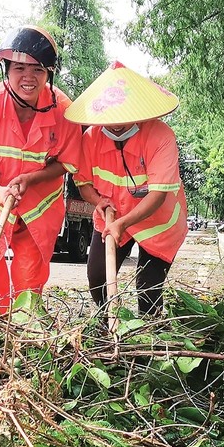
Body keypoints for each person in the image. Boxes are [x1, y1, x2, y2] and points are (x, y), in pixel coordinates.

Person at [0, 25, 81, 312]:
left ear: (49, 73)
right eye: (19, 68)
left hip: (38, 206)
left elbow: (67, 162)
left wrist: (31, 178)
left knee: (30, 281)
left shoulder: (64, 110)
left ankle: (26, 326)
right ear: (7, 70)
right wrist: (0, 190)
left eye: (37, 69)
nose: (28, 77)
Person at [65, 61, 188, 316]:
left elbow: (157, 195)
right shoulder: (91, 138)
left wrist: (124, 223)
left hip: (157, 223)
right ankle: (108, 325)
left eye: (124, 115)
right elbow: (84, 183)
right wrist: (97, 201)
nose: (117, 124)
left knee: (148, 287)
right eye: (110, 117)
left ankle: (149, 332)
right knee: (98, 277)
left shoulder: (160, 136)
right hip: (112, 217)